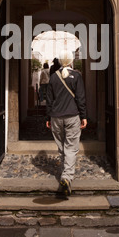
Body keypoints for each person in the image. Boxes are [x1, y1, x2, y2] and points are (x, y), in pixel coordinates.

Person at [46, 49, 87, 196]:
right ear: (70, 61)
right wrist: (84, 116)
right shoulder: (76, 76)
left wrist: (48, 118)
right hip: (72, 116)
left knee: (62, 147)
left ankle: (65, 173)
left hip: (56, 116)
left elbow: (49, 99)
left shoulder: (53, 77)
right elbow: (80, 98)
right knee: (71, 147)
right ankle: (67, 177)